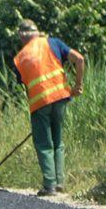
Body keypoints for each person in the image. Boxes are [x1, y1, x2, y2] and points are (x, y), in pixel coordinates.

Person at [11, 19, 85, 197]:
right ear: (37, 33)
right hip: (60, 97)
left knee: (44, 143)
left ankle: (49, 185)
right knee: (58, 141)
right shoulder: (53, 43)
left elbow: (25, 85)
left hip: (39, 104)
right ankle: (59, 182)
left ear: (21, 36)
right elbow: (79, 59)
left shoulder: (19, 59)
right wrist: (78, 85)